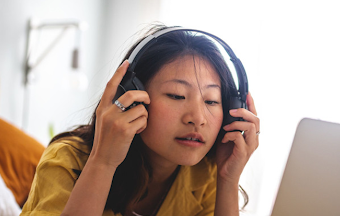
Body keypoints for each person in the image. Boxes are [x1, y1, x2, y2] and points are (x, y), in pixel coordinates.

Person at [20, 25, 260, 216]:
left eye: (211, 101)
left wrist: (228, 181)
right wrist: (103, 163)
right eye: (176, 95)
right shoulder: (66, 160)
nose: (197, 119)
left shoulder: (203, 176)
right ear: (132, 97)